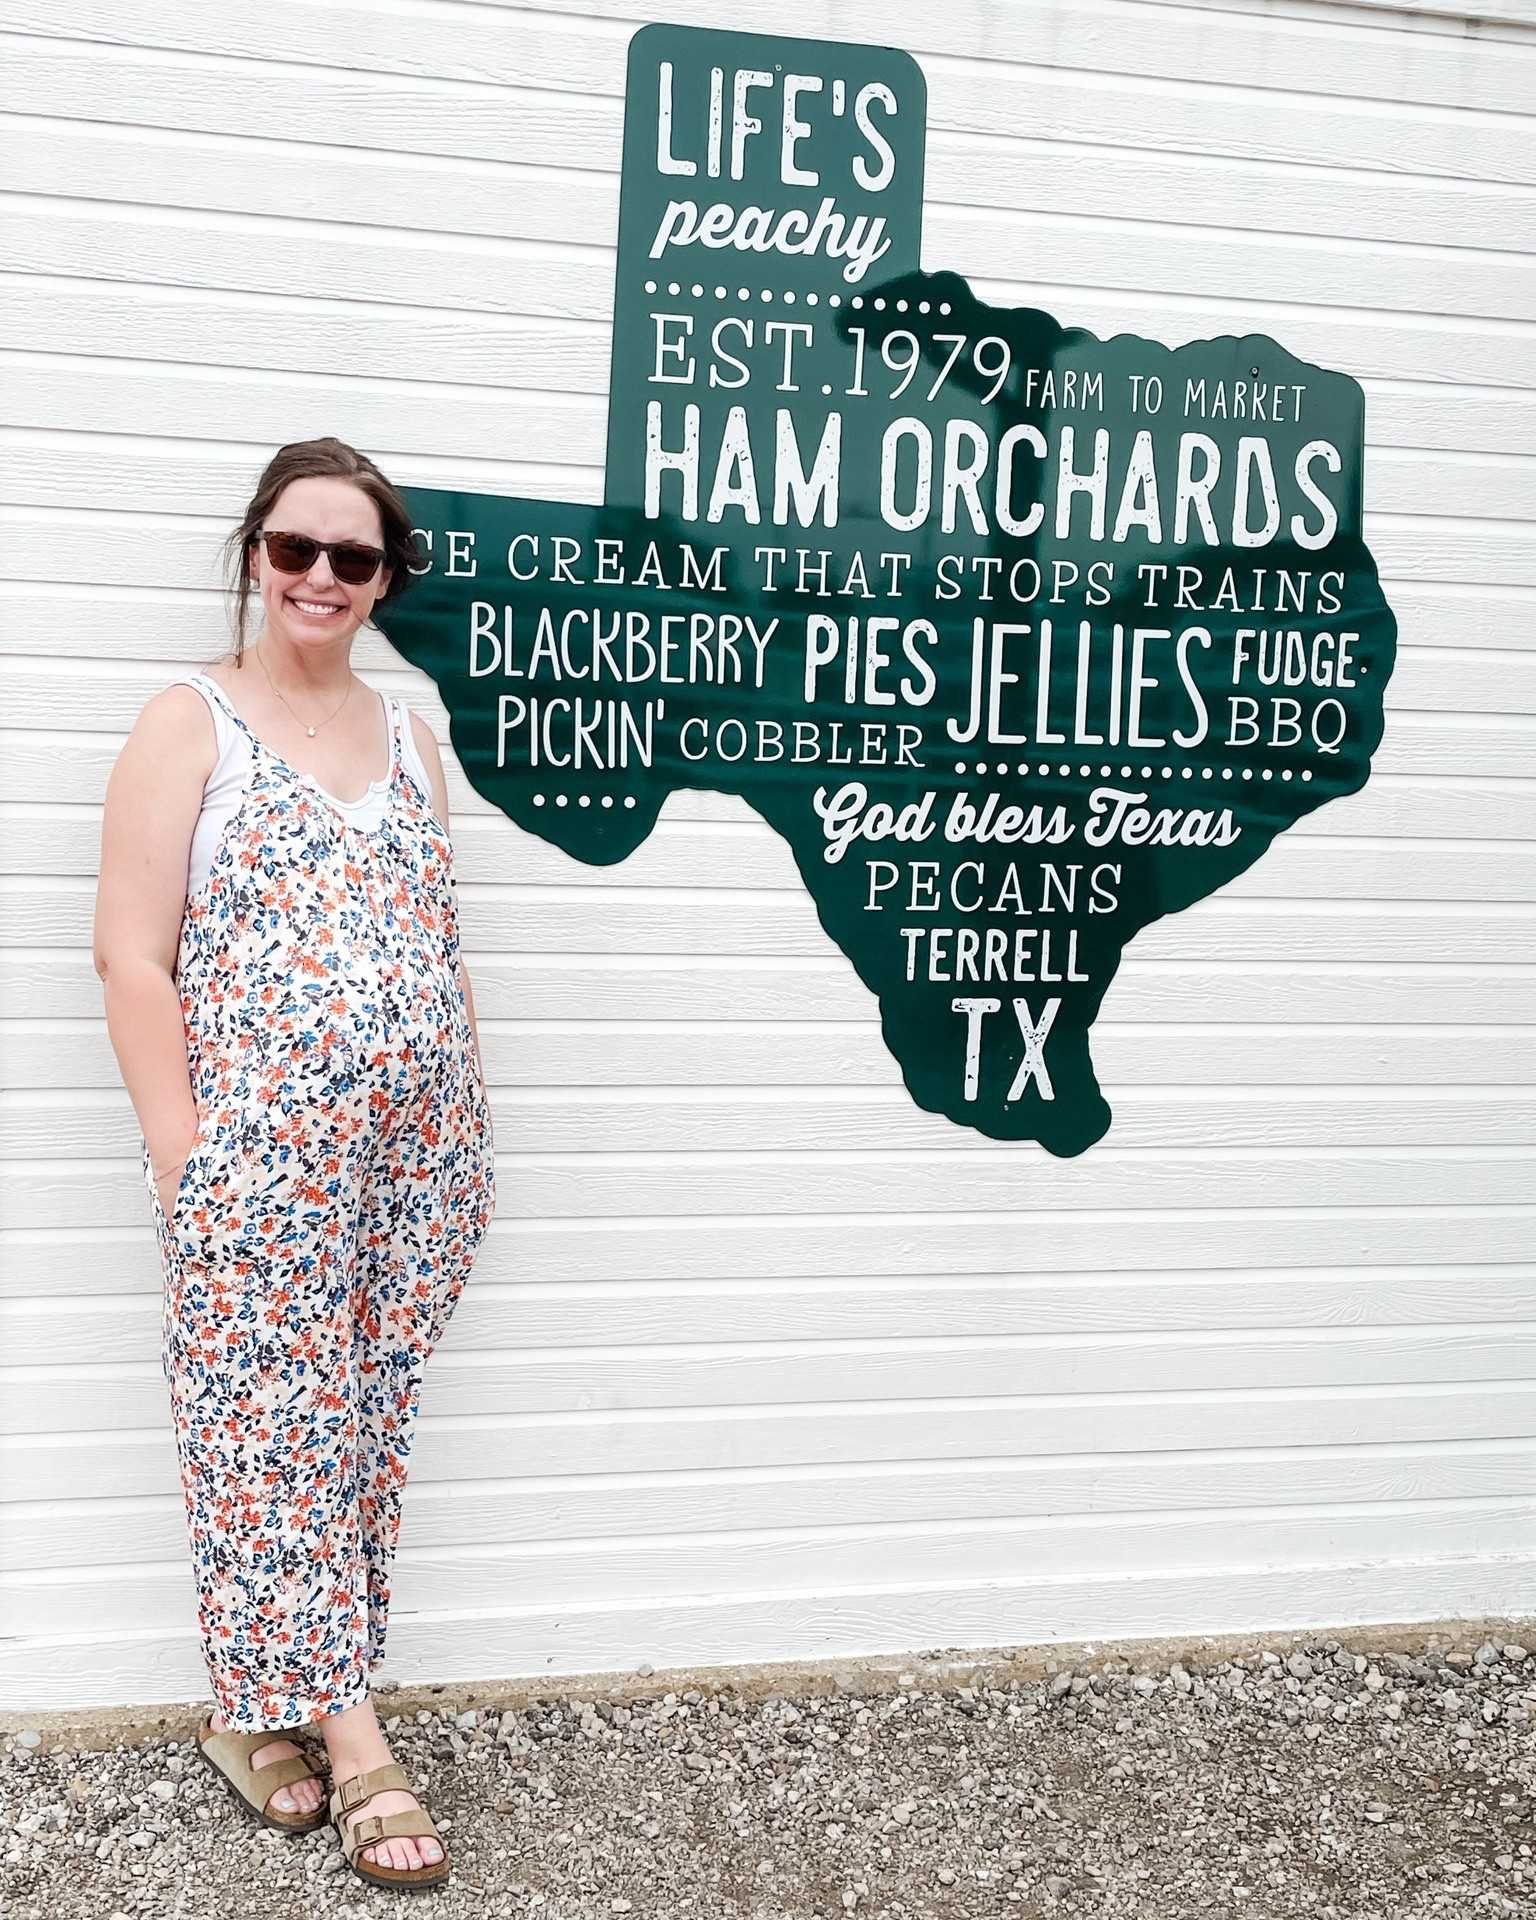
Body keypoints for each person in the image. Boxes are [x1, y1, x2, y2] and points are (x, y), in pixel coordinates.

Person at [93, 437, 495, 1893]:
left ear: (385, 581)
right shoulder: (187, 722)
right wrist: (186, 1161)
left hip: (415, 1166)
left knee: (350, 1437)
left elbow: (435, 942)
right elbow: (131, 959)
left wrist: (463, 1120)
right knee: (270, 1435)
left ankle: (250, 1708)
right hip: (257, 1167)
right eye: (295, 547)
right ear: (257, 554)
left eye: (353, 556)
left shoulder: (409, 736)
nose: (320, 575)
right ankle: (357, 1737)